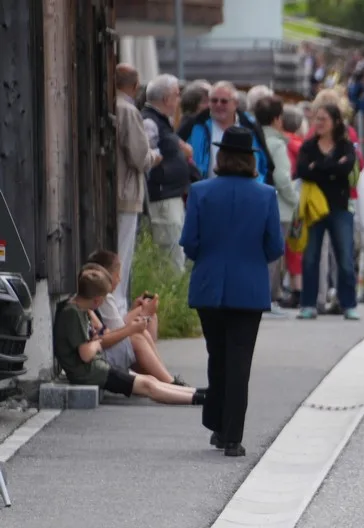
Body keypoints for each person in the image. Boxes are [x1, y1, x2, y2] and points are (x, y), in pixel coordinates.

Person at [181, 126, 286, 458]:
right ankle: (232, 437)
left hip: (210, 284)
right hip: (249, 286)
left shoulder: (200, 191)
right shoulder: (266, 195)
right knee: (240, 361)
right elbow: (274, 247)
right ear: (251, 160)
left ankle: (216, 422)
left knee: (217, 355)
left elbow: (190, 243)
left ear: (221, 156)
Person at [54, 265, 202, 408]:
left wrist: (96, 338)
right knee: (148, 386)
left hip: (97, 368)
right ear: (97, 300)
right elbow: (85, 354)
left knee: (149, 379)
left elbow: (93, 338)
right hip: (91, 373)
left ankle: (196, 392)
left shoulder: (78, 309)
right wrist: (97, 343)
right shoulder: (72, 313)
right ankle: (198, 399)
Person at [294, 103, 360, 321]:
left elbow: (347, 167)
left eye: (323, 119)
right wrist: (331, 167)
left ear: (335, 122)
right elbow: (303, 170)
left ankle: (348, 303)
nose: (318, 123)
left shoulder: (345, 146)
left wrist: (319, 167)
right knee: (310, 256)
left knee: (344, 258)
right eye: (316, 119)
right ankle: (308, 304)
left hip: (340, 207)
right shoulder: (309, 146)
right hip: (315, 209)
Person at [84, 249, 185, 387]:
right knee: (138, 337)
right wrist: (142, 315)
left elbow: (114, 328)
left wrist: (136, 311)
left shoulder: (99, 298)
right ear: (106, 277)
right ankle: (169, 382)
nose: (119, 280)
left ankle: (162, 377)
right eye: (117, 275)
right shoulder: (102, 298)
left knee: (145, 322)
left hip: (101, 348)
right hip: (97, 355)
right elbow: (114, 334)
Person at [142, 73, 195, 273]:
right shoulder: (150, 121)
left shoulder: (162, 121)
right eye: (177, 95)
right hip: (162, 198)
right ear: (166, 99)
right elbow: (145, 155)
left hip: (171, 195)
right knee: (170, 255)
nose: (179, 100)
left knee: (176, 249)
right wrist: (159, 158)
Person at [114, 64, 156, 312]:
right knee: (122, 257)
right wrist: (154, 156)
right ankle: (118, 309)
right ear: (135, 86)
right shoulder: (128, 110)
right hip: (127, 191)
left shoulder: (109, 105)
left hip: (110, 191)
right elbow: (140, 157)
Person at [253, 97, 300, 307]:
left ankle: (263, 296)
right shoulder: (278, 144)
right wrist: (296, 200)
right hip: (280, 206)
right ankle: (267, 298)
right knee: (274, 255)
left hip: (258, 203)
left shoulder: (254, 139)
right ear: (277, 119)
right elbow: (282, 177)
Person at [183, 81, 272, 184]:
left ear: (235, 103)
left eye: (224, 101)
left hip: (246, 193)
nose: (218, 105)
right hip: (206, 193)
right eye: (214, 101)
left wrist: (258, 185)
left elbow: (265, 162)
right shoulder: (196, 125)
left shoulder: (250, 125)